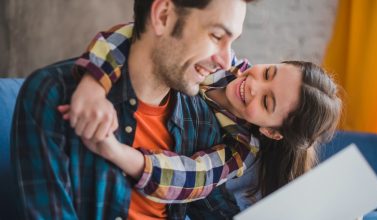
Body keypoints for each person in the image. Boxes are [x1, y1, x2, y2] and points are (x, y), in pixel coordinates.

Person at [11, 0, 255, 219]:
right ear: (163, 16)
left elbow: (215, 210)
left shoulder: (202, 123)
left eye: (231, 43)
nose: (226, 61)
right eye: (216, 36)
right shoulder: (52, 95)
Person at [61, 24, 342, 211]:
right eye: (269, 73)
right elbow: (141, 34)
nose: (254, 86)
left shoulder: (240, 151)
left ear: (271, 132)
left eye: (267, 102)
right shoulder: (222, 59)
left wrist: (114, 151)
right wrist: (94, 85)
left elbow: (190, 178)